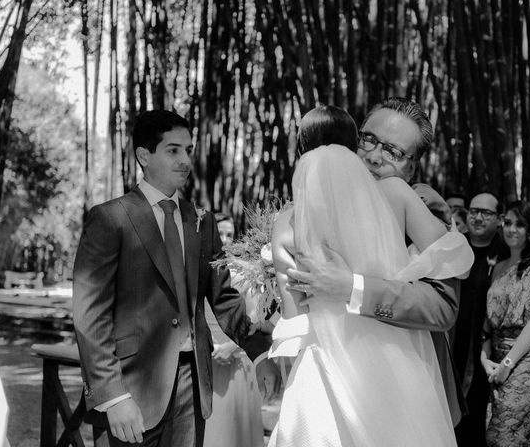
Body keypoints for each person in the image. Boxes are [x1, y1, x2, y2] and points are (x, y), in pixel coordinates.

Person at [269, 105, 471, 446]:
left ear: (410, 166)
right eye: (369, 140)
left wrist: (351, 287)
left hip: (402, 377)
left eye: (392, 151)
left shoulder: (418, 203)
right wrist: (269, 356)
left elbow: (442, 307)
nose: (375, 157)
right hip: (326, 368)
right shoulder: (306, 208)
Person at [73, 110, 275, 447]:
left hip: (193, 382)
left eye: (188, 150)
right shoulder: (109, 220)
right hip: (134, 385)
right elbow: (90, 315)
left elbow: (223, 299)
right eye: (173, 150)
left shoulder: (202, 221)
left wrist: (260, 354)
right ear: (143, 156)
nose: (185, 159)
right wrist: (113, 396)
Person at [480, 201, 530, 447]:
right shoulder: (498, 267)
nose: (511, 229)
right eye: (508, 223)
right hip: (497, 355)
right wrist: (484, 356)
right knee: (492, 431)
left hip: (526, 358)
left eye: (520, 224)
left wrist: (507, 364)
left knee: (508, 433)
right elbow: (488, 320)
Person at [450, 192, 509, 447]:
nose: (478, 217)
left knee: (479, 416)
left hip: (488, 348)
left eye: (486, 213)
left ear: (499, 219)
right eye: (473, 211)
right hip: (453, 340)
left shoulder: (506, 252)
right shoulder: (455, 246)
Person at [204, 215, 264, 447]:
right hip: (208, 357)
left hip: (237, 359)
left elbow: (256, 316)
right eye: (221, 234)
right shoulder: (201, 270)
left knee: (236, 433)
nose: (226, 240)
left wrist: (232, 347)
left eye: (230, 234)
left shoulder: (247, 272)